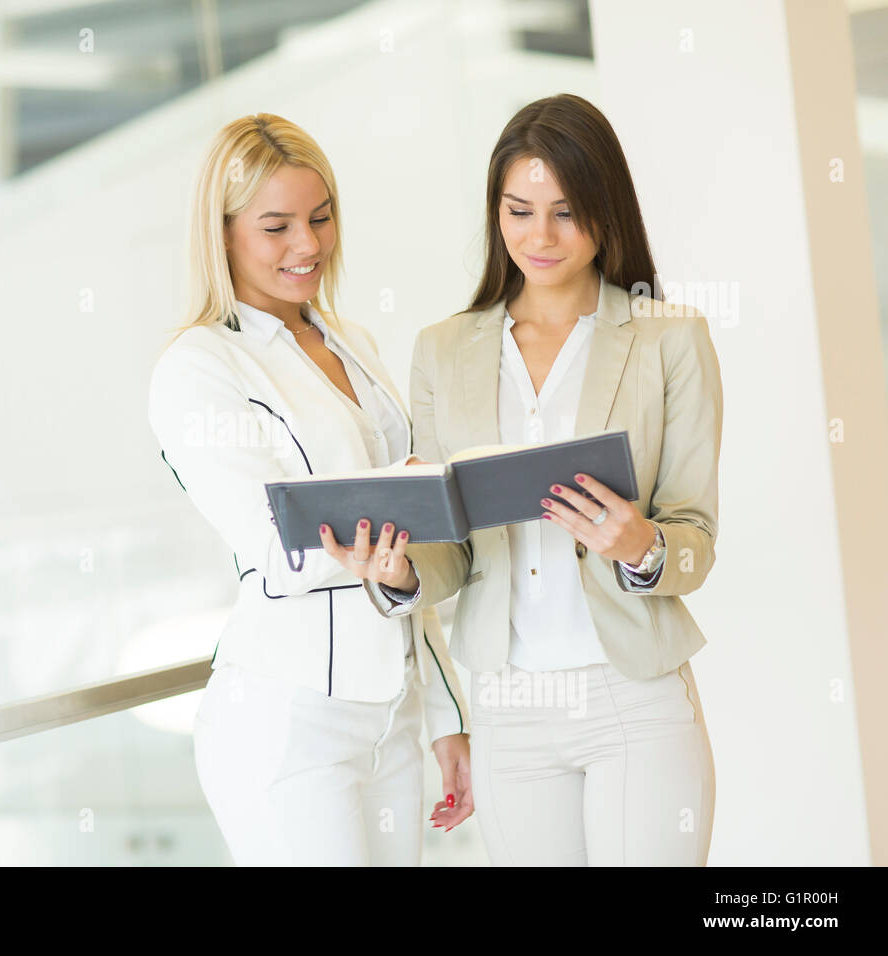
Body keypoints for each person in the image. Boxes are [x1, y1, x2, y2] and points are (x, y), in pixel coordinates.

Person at [321, 93, 722, 866]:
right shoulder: (444, 350)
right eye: (519, 210)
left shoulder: (671, 341)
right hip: (508, 705)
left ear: (607, 212)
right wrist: (398, 571)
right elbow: (453, 548)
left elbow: (697, 540)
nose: (539, 236)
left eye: (566, 212)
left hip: (632, 693)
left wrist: (641, 546)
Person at [147, 113, 473, 866]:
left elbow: (407, 552)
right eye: (277, 226)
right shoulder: (197, 368)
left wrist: (445, 716)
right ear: (222, 233)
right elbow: (277, 544)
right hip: (290, 723)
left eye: (321, 219)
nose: (309, 245)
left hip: (393, 713)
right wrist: (408, 496)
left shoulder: (349, 341)